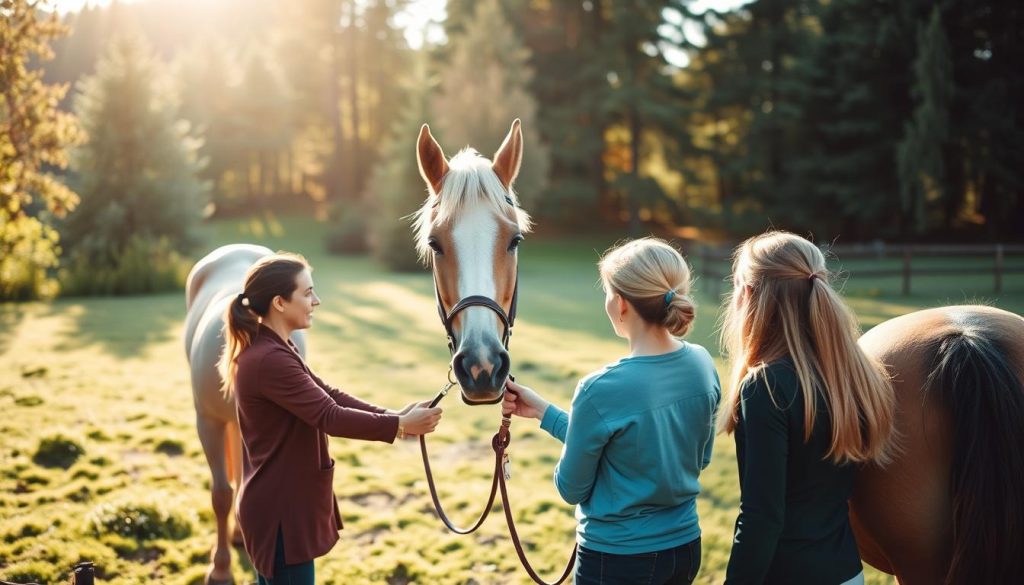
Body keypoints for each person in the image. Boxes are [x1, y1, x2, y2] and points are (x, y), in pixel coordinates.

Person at [503, 237, 720, 585]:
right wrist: (547, 414)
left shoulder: (599, 390)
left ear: (620, 305)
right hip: (685, 548)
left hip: (618, 560)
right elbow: (694, 457)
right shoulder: (702, 363)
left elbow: (571, 488)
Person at [217, 252, 442, 584]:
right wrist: (399, 427)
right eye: (307, 293)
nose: (316, 301)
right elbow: (329, 416)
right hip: (280, 515)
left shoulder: (277, 348)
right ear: (279, 302)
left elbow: (328, 394)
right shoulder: (269, 360)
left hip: (278, 506)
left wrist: (395, 416)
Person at [719, 231, 897, 585]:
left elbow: (762, 517)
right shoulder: (856, 376)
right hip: (847, 572)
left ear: (750, 295)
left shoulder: (766, 386)